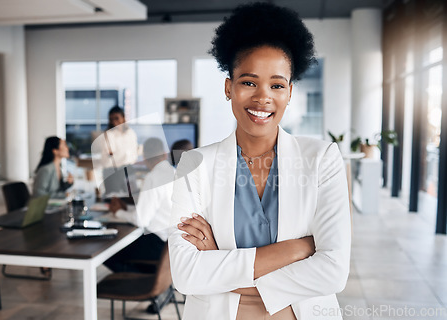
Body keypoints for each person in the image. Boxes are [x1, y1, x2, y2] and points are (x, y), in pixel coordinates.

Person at [169, 3, 351, 320]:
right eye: (249, 82)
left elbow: (333, 273)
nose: (262, 97)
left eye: (277, 85)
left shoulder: (322, 159)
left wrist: (221, 262)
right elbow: (187, 275)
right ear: (229, 88)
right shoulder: (194, 165)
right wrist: (299, 249)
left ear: (290, 92)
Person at [104, 137, 175, 273]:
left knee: (109, 253)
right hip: (171, 246)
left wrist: (118, 212)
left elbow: (141, 220)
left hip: (157, 244)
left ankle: (141, 282)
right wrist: (127, 209)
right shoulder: (174, 172)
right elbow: (156, 208)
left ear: (145, 158)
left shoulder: (153, 177)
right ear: (165, 154)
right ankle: (150, 279)